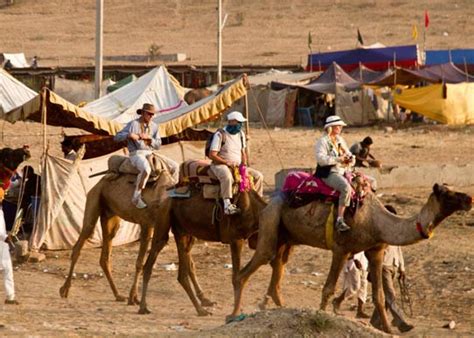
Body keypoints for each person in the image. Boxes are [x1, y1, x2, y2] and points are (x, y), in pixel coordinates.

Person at [114, 103, 178, 209]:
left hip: (150, 153)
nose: (151, 116)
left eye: (153, 114)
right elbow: (116, 137)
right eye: (149, 114)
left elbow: (158, 145)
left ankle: (172, 194)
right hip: (136, 154)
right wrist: (129, 135)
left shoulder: (154, 126)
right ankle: (136, 197)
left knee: (175, 166)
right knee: (146, 169)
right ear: (143, 113)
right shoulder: (133, 124)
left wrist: (150, 139)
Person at [208, 111, 263, 215]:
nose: (240, 125)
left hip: (237, 166)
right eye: (238, 122)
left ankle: (257, 201)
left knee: (258, 176)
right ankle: (227, 204)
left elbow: (242, 152)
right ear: (231, 122)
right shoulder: (220, 134)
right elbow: (212, 155)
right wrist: (226, 162)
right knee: (227, 177)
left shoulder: (241, 134)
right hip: (220, 165)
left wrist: (244, 164)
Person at [315, 115, 355, 232]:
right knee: (345, 188)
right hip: (330, 173)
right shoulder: (322, 142)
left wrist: (350, 159)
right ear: (331, 127)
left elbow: (349, 154)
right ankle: (340, 220)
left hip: (343, 171)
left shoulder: (340, 140)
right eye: (338, 126)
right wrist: (338, 159)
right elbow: (321, 160)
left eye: (341, 126)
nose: (340, 128)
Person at [332, 251, 370, 318]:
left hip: (364, 262)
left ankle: (359, 311)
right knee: (355, 286)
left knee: (363, 287)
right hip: (353, 263)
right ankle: (338, 300)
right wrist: (355, 260)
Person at [0, 195, 18, 305]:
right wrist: (6, 237)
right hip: (2, 243)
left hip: (2, 246)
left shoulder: (1, 212)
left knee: (8, 270)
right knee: (7, 270)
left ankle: (10, 297)